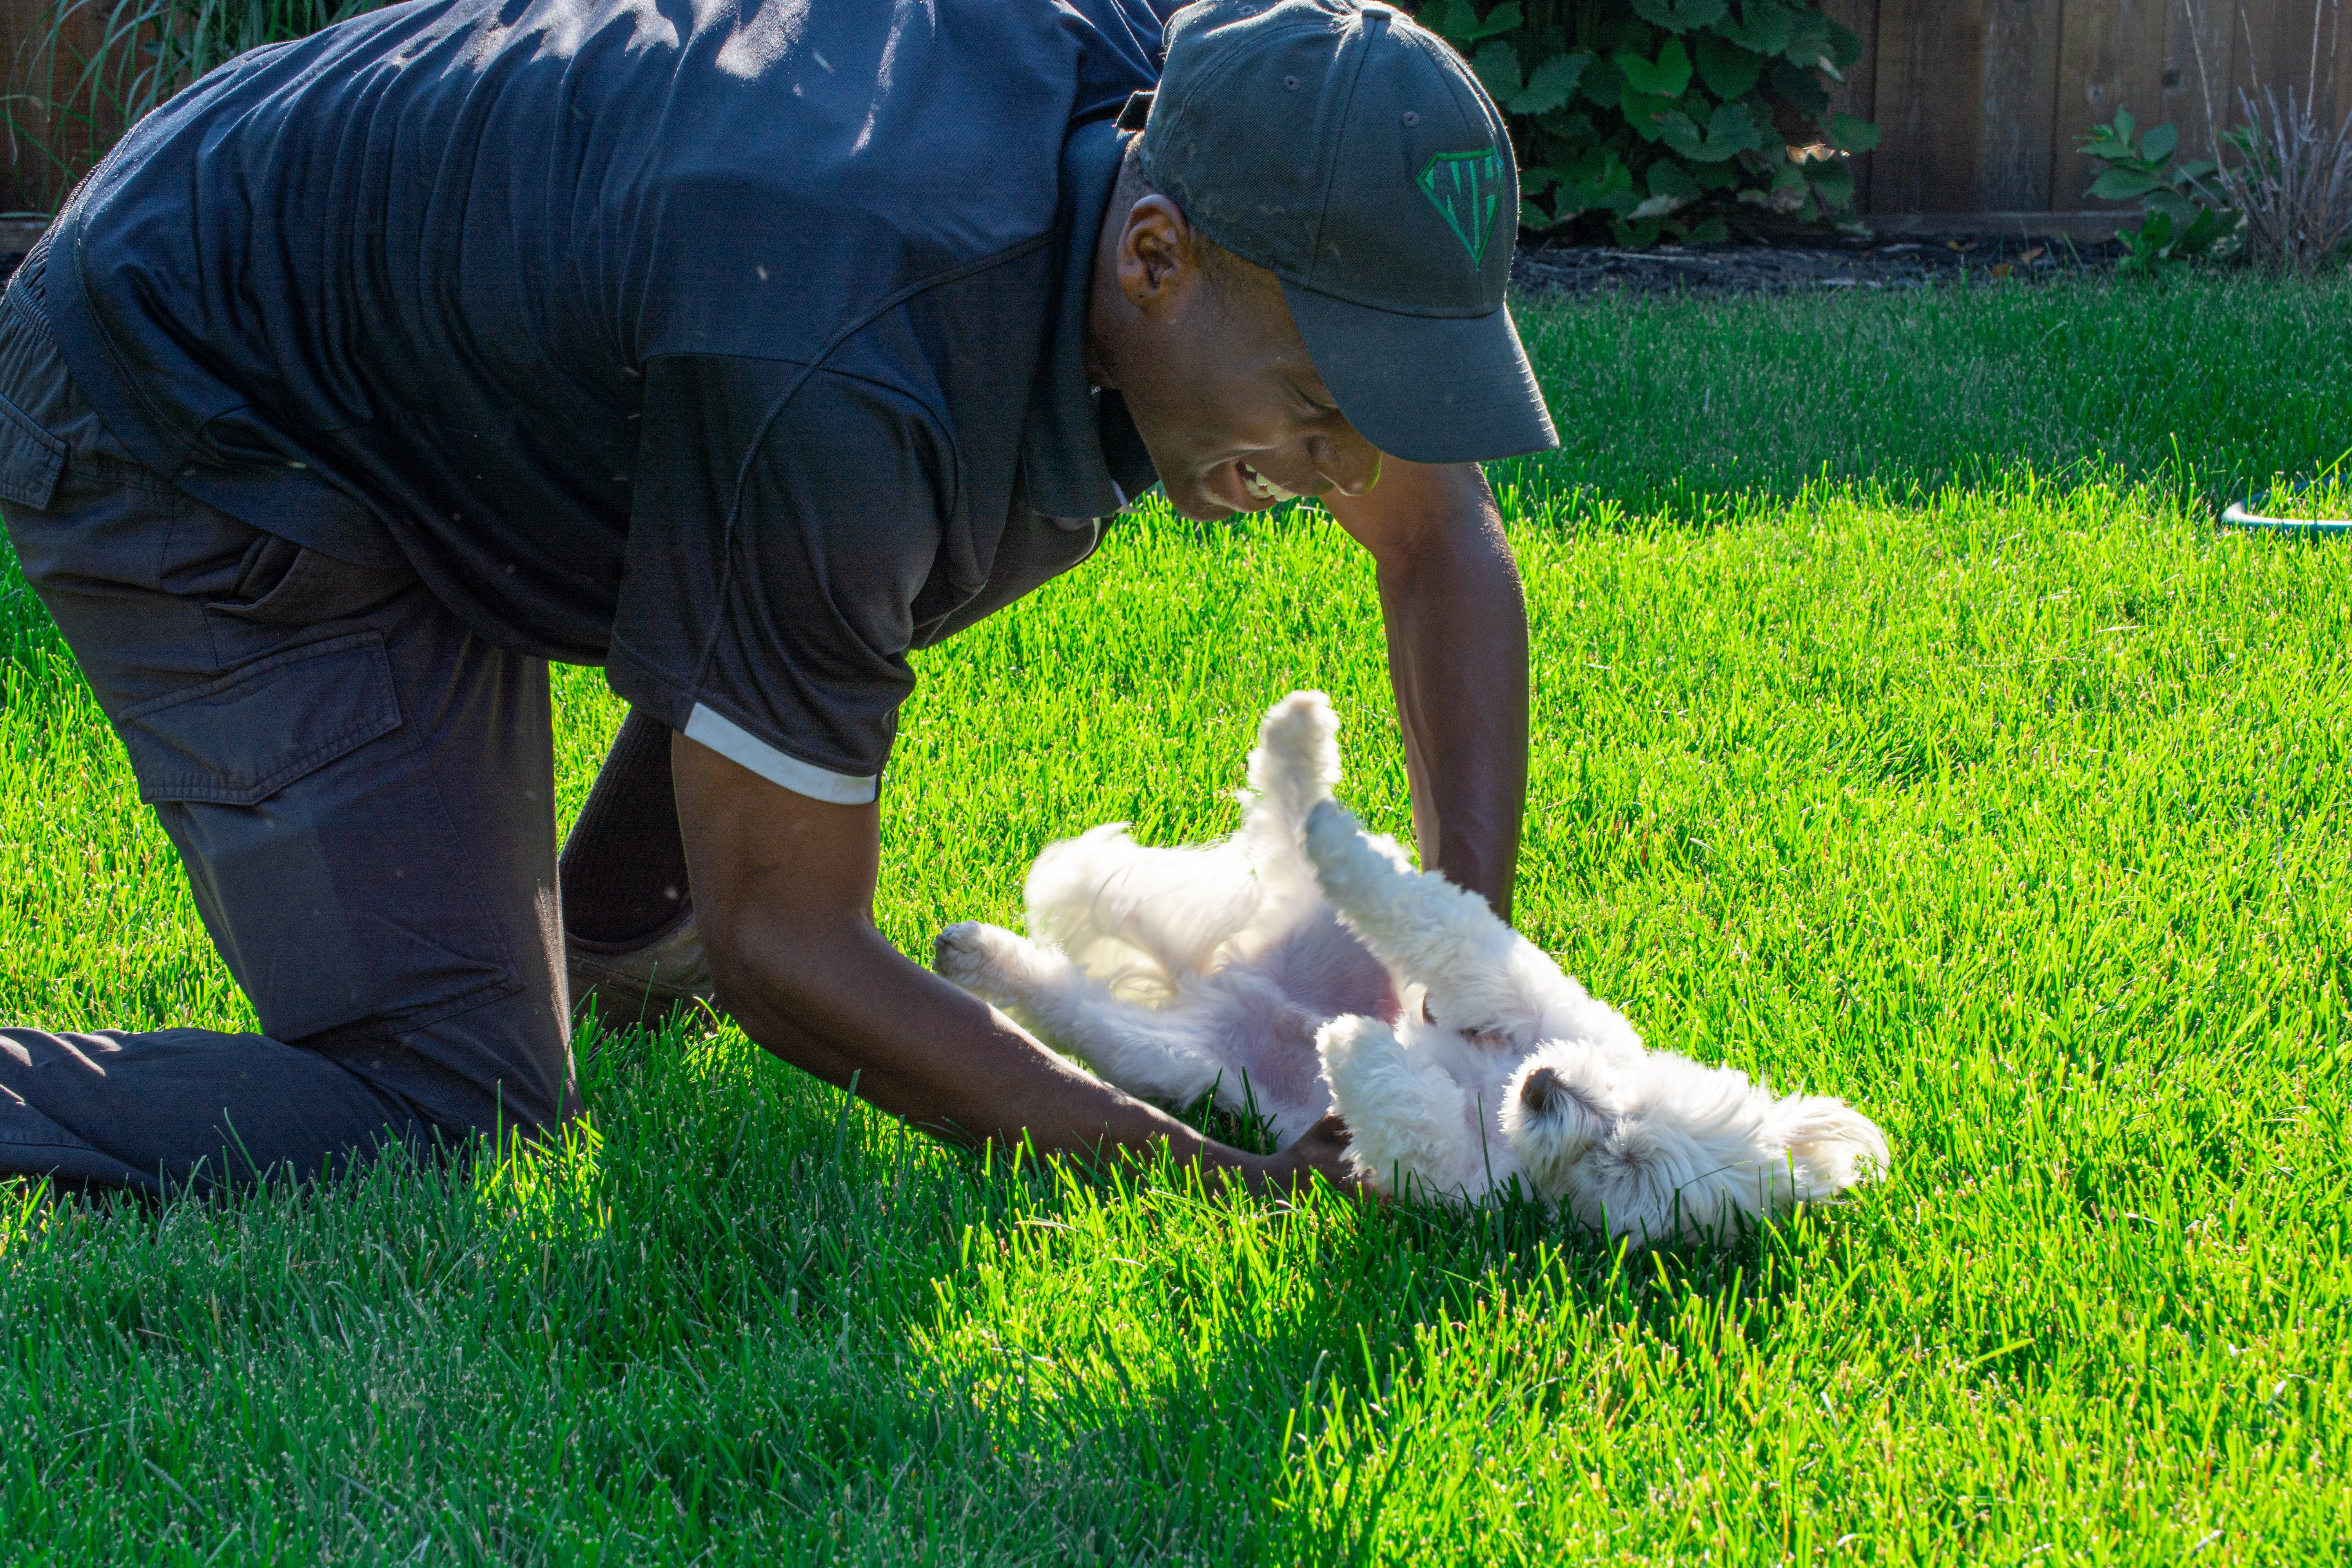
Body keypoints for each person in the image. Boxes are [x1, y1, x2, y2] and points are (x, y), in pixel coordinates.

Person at [0, 0, 1553, 1197]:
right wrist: (1209, 1181)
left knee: (893, 502)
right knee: (453, 1092)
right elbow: (784, 949)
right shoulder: (851, 352)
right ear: (1154, 257)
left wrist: (1462, 968)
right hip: (197, 388)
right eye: (1320, 400)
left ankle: (613, 929)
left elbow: (1436, 535)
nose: (1348, 459)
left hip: (461, 311)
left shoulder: (1229, 120)